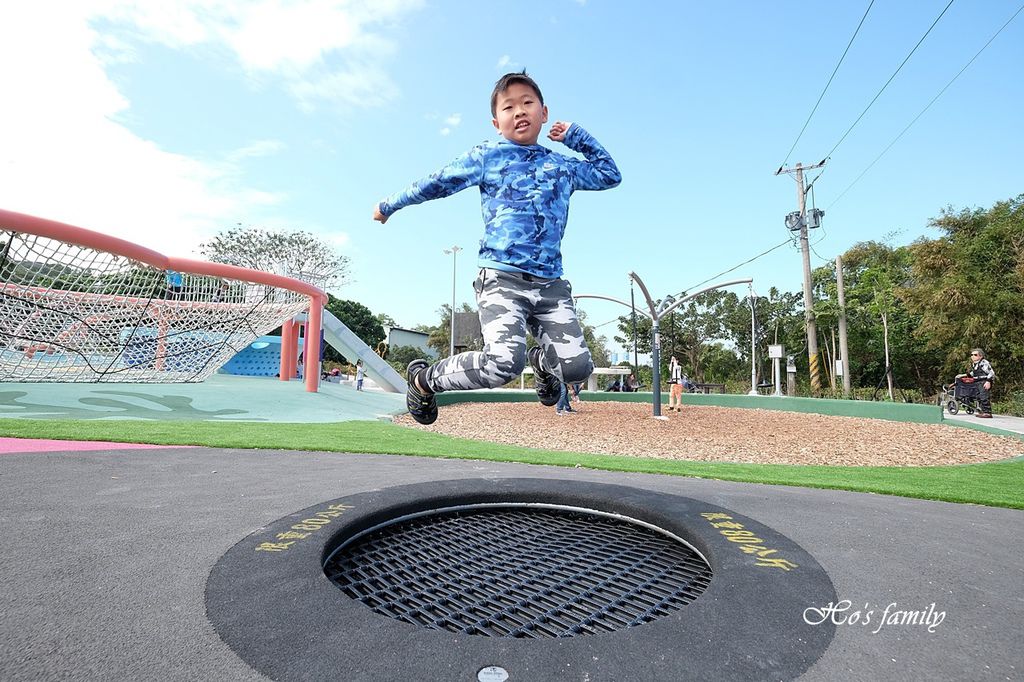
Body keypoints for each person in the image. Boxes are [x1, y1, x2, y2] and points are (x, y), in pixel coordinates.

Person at [373, 70, 621, 424]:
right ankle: (423, 380)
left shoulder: (562, 166)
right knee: (504, 364)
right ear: (496, 122)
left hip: (551, 285)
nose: (519, 111)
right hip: (502, 279)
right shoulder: (488, 156)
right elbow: (438, 182)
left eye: (527, 103)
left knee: (578, 369)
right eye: (509, 107)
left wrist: (577, 137)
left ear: (544, 113)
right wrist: (390, 204)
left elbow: (609, 174)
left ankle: (543, 364)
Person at [957, 348, 995, 418]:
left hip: (984, 381)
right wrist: (965, 375)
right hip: (977, 382)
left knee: (984, 396)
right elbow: (974, 373)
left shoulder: (984, 363)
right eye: (972, 355)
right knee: (978, 397)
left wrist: (988, 381)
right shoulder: (975, 364)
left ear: (980, 356)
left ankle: (987, 412)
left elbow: (991, 373)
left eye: (975, 355)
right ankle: (983, 411)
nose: (973, 356)